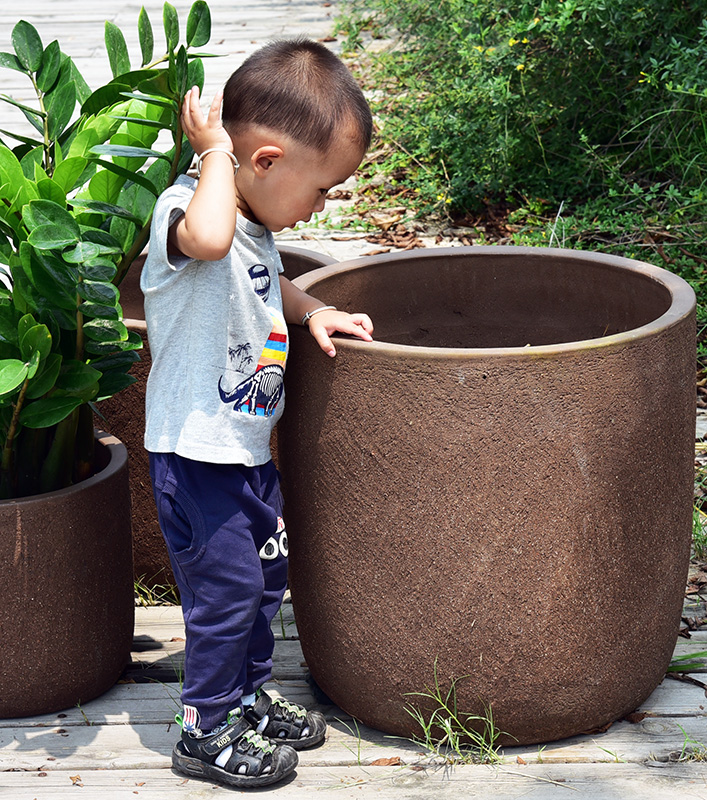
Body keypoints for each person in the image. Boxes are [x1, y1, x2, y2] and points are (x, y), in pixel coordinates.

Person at [141, 38, 374, 789]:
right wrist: (212, 154)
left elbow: (263, 283)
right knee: (226, 592)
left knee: (265, 581)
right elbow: (210, 242)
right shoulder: (190, 207)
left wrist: (311, 312)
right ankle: (203, 726)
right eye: (323, 189)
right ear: (265, 162)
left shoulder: (258, 227)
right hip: (195, 455)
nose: (322, 206)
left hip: (243, 451)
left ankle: (244, 695)